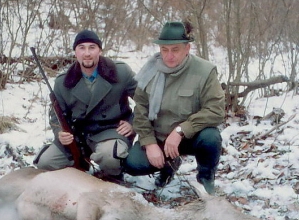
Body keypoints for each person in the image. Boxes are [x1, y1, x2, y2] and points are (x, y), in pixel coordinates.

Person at [123, 21, 225, 194]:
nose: (169, 56)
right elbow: (140, 110)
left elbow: (215, 111)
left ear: (187, 49)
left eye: (175, 49)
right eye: (164, 50)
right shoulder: (150, 71)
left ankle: (206, 179)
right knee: (133, 164)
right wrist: (149, 143)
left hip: (189, 137)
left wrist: (181, 130)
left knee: (211, 138)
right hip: (159, 137)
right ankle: (168, 165)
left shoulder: (205, 71)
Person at [34, 30, 137, 178]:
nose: (87, 53)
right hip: (78, 135)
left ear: (100, 50)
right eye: (81, 47)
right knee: (45, 162)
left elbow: (145, 101)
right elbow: (55, 115)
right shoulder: (63, 82)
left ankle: (112, 177)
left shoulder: (121, 72)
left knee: (110, 157)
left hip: (111, 131)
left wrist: (132, 123)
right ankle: (79, 168)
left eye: (92, 47)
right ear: (75, 52)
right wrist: (60, 134)